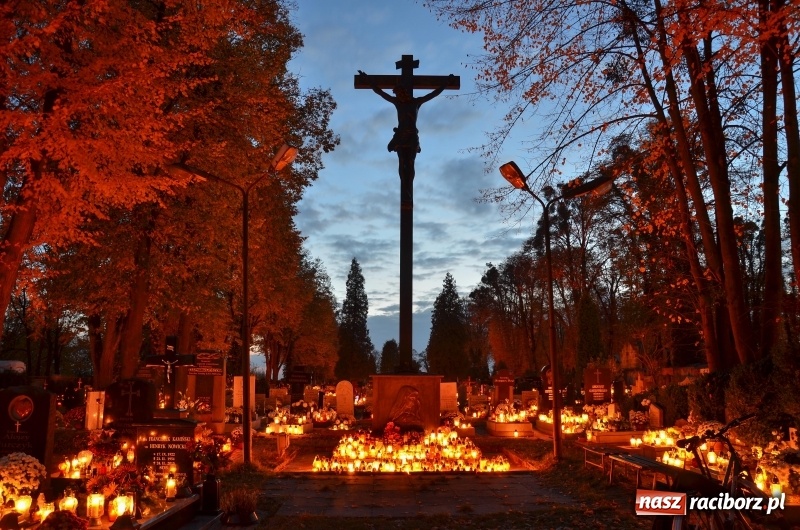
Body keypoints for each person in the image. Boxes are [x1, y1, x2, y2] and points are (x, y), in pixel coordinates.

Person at [357, 71, 454, 184]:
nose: (398, 96)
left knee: (411, 161)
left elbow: (433, 94)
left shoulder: (416, 102)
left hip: (412, 135)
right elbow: (381, 92)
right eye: (397, 95)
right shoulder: (398, 103)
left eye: (399, 94)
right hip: (400, 135)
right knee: (402, 160)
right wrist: (368, 81)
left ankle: (408, 185)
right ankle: (404, 183)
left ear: (404, 92)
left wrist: (446, 83)